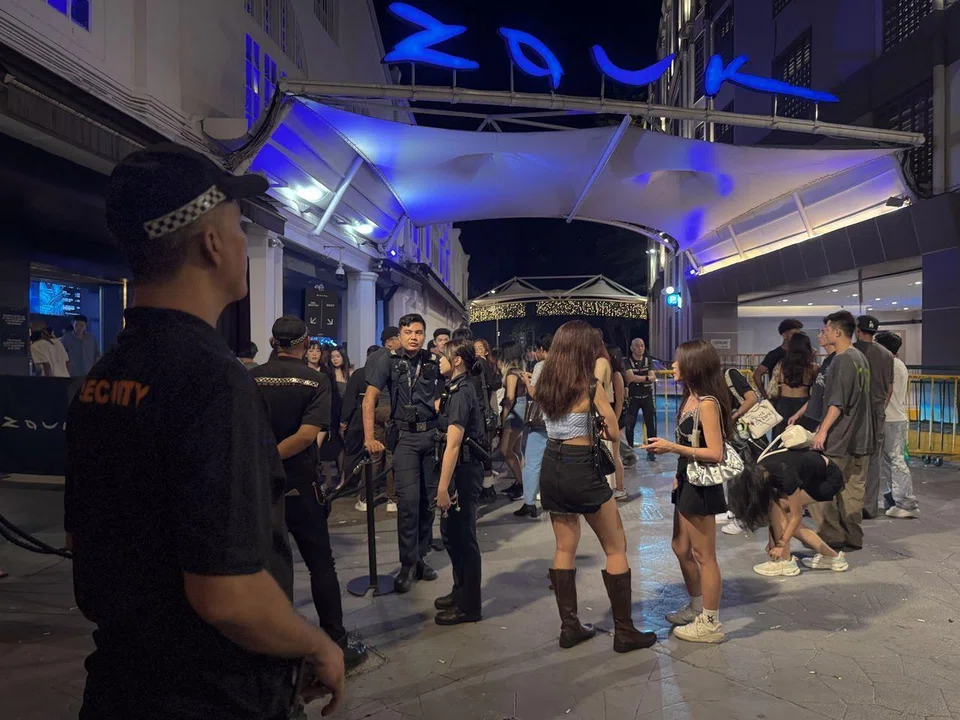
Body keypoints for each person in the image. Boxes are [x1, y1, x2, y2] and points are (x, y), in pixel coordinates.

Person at [64, 143, 344, 719]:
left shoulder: (105, 374)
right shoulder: (211, 381)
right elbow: (227, 592)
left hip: (120, 681)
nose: (245, 244)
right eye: (239, 228)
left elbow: (84, 540)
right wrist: (317, 644)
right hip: (208, 693)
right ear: (212, 245)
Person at [251, 316, 367, 670]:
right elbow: (305, 436)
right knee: (321, 565)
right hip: (300, 484)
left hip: (258, 486)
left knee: (264, 566)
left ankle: (268, 644)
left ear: (273, 342)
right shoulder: (315, 380)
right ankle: (335, 641)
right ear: (304, 344)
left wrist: (258, 460)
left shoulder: (251, 378)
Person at [537, 320, 657, 654]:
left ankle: (570, 627)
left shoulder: (546, 382)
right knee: (616, 546)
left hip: (552, 466)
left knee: (564, 547)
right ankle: (624, 632)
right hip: (582, 468)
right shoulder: (589, 386)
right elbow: (615, 432)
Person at [643, 339, 730, 644]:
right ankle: (696, 606)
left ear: (694, 364)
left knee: (704, 555)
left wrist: (671, 447)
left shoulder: (707, 402)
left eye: (679, 361)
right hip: (687, 478)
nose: (673, 366)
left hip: (702, 483)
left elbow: (716, 452)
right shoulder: (689, 398)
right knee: (681, 547)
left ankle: (710, 621)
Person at [363, 313, 441, 593]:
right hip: (405, 438)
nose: (413, 337)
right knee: (408, 504)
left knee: (427, 504)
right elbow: (369, 399)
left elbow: (444, 394)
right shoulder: (387, 360)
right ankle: (407, 564)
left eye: (418, 332)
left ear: (424, 335)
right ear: (399, 334)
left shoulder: (433, 361)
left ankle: (420, 558)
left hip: (431, 435)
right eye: (408, 331)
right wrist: (370, 437)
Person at [728, 449, 849, 577]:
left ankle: (784, 562)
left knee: (782, 510)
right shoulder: (761, 470)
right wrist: (773, 541)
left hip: (828, 479)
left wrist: (780, 545)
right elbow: (773, 513)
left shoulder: (784, 474)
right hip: (811, 474)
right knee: (782, 514)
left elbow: (796, 516)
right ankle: (832, 557)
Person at [809, 310, 873, 552]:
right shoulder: (860, 358)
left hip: (841, 437)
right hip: (860, 436)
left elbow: (837, 402)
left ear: (836, 332)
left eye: (825, 330)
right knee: (852, 488)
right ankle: (853, 536)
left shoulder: (843, 359)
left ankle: (832, 535)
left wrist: (822, 431)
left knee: (817, 484)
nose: (822, 334)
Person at [433, 339, 486, 625]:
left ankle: (470, 606)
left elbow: (453, 445)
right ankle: (460, 590)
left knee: (464, 538)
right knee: (451, 535)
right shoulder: (455, 387)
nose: (438, 358)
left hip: (463, 472)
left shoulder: (463, 391)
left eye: (443, 355)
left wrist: (443, 488)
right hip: (458, 470)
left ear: (456, 361)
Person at [342, 343, 399, 514]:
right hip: (392, 411)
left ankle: (365, 498)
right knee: (391, 455)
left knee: (374, 455)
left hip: (376, 409)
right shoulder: (395, 360)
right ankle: (392, 499)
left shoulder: (367, 366)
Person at [874, 331, 919, 519]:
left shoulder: (891, 365)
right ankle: (895, 498)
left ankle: (906, 502)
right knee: (890, 462)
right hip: (891, 419)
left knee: (897, 461)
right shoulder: (896, 364)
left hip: (893, 419)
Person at [855, 315, 895, 519]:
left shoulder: (850, 352)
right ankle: (869, 507)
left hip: (854, 413)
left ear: (857, 330)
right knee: (873, 460)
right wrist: (880, 406)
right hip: (877, 411)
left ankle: (851, 505)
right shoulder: (887, 355)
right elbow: (889, 387)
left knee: (851, 458)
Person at [514, 334, 552, 518]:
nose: (536, 353)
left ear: (543, 350)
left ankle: (529, 503)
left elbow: (535, 393)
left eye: (538, 350)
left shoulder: (541, 366)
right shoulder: (566, 365)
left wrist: (527, 381)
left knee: (533, 462)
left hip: (542, 420)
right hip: (562, 420)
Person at [769, 332, 819, 439]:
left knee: (781, 439)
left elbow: (774, 386)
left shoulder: (781, 366)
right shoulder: (812, 368)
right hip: (803, 405)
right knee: (802, 439)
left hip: (782, 404)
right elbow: (818, 390)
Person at [788, 328, 837, 432]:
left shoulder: (837, 360)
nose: (819, 336)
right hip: (811, 415)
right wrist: (798, 414)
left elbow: (834, 398)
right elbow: (817, 393)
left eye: (824, 332)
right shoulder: (827, 361)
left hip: (820, 419)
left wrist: (823, 427)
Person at [473, 338, 502, 503]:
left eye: (480, 347)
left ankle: (487, 487)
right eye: (474, 347)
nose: (477, 350)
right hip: (485, 412)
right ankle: (487, 487)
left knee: (483, 449)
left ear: (486, 351)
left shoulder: (481, 364)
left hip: (482, 413)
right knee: (485, 449)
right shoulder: (485, 365)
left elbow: (493, 383)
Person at [498, 341, 528, 501]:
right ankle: (519, 482)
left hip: (514, 414)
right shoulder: (520, 372)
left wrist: (503, 418)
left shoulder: (511, 374)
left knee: (506, 450)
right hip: (521, 412)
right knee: (516, 450)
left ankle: (522, 485)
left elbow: (509, 399)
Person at [623, 338, 657, 461]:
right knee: (629, 426)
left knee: (650, 426)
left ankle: (652, 451)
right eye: (637, 346)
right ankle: (629, 453)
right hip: (633, 398)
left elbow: (653, 377)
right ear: (632, 348)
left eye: (642, 345)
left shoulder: (649, 360)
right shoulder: (627, 361)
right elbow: (630, 377)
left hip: (647, 397)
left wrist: (642, 378)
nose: (640, 348)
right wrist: (647, 378)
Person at [753, 319, 804, 399]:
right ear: (784, 335)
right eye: (793, 334)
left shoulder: (802, 353)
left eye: (798, 334)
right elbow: (757, 374)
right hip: (779, 398)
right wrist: (766, 396)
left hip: (800, 397)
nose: (796, 337)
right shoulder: (774, 354)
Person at [606, 343, 628, 501]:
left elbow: (619, 401)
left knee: (616, 454)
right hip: (614, 417)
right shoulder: (613, 374)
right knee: (613, 454)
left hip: (617, 417)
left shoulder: (617, 376)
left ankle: (620, 488)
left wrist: (615, 420)